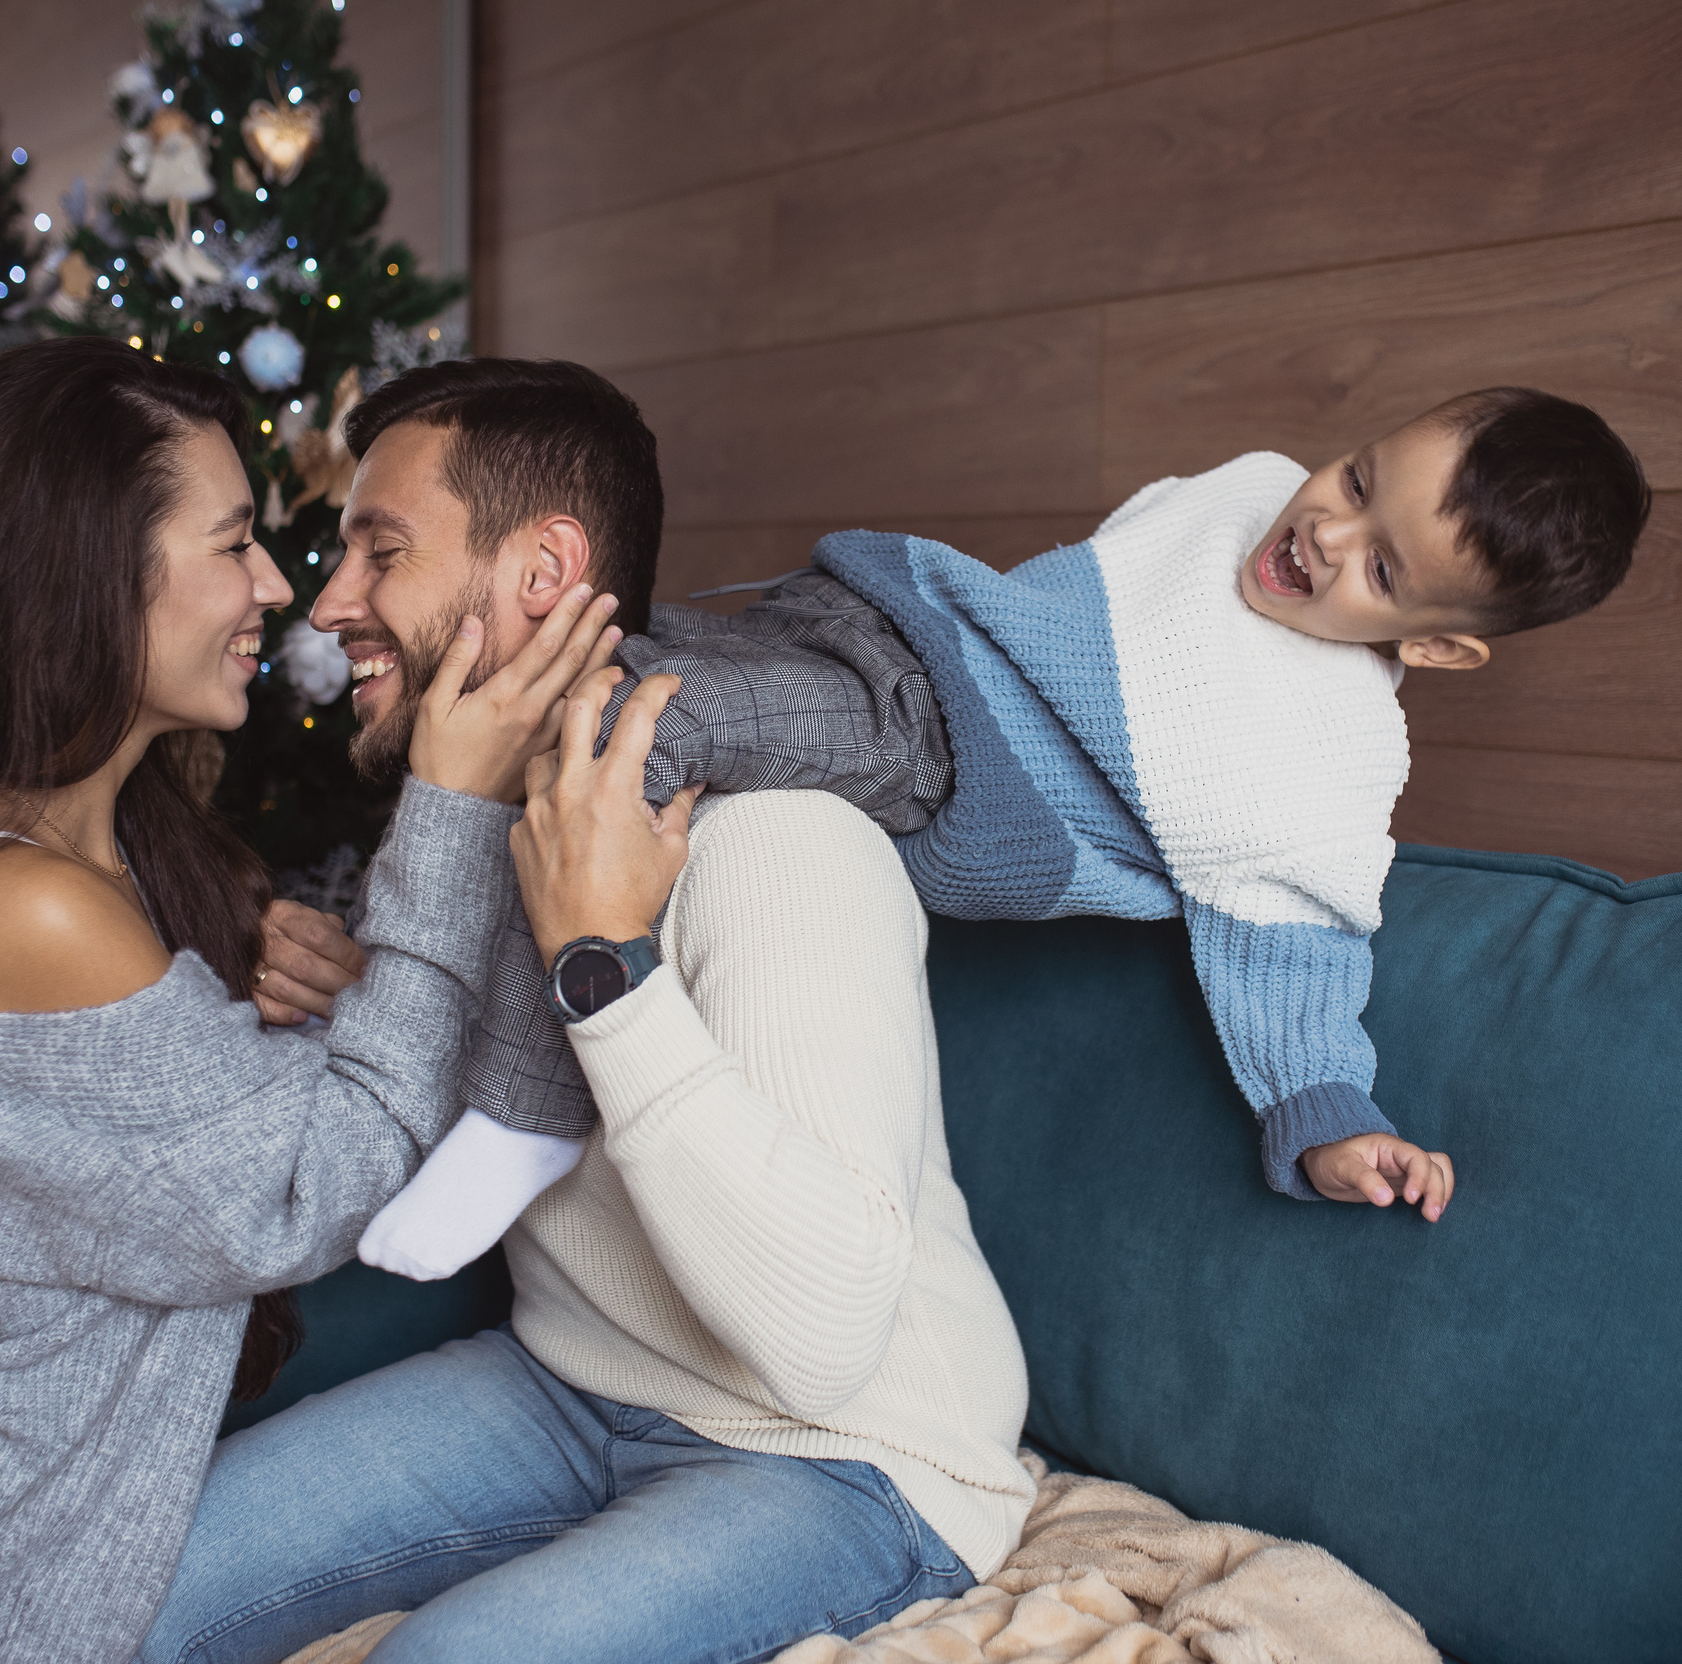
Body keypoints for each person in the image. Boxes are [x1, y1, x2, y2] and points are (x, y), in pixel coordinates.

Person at [0, 338, 675, 1664]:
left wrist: (349, 1005)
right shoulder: (21, 907)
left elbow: (169, 1155)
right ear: (87, 580)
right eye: (234, 545)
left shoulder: (85, 848)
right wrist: (453, 805)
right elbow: (321, 1180)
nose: (280, 588)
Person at [137, 359, 1032, 1664]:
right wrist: (365, 1007)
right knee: (142, 1584)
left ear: (543, 572)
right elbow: (501, 1134)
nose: (326, 608)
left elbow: (824, 1342)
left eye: (381, 552)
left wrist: (604, 964)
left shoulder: (779, 839)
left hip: (848, 1458)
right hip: (568, 1381)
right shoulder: (471, 820)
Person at [362, 385, 1654, 1281]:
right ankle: (362, 941)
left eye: (1381, 566)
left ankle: (526, 1114)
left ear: (1432, 644)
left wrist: (1332, 1123)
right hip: (871, 618)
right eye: (1360, 478)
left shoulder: (1326, 773)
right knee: (579, 667)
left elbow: (1301, 966)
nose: (1322, 532)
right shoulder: (1259, 487)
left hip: (922, 747)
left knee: (625, 723)